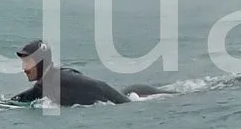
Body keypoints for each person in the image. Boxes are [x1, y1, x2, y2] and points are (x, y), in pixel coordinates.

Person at [8, 40, 161, 106]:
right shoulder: (49, 81)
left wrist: (125, 105)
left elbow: (100, 86)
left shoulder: (58, 79)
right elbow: (28, 96)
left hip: (123, 102)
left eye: (27, 62)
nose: (24, 68)